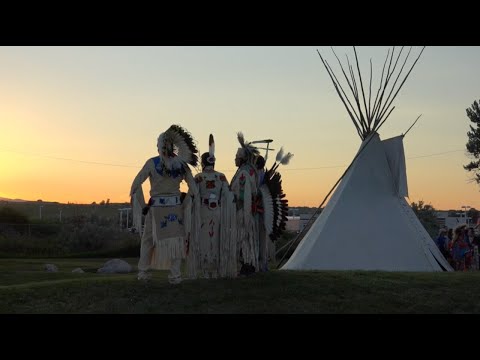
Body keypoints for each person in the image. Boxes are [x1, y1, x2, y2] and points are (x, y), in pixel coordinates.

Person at [130, 124, 199, 284]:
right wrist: (185, 204)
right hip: (176, 209)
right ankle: (175, 276)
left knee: (148, 241)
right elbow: (194, 189)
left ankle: (144, 274)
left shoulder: (152, 163)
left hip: (155, 210)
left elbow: (136, 184)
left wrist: (143, 205)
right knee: (175, 242)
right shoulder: (182, 165)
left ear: (160, 146)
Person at [188, 134, 237, 279]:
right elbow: (229, 195)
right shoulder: (221, 177)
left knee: (205, 239)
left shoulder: (198, 178)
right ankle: (213, 270)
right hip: (217, 211)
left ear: (203, 162)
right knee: (214, 239)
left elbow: (192, 194)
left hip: (204, 211)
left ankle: (206, 270)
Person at [230, 132, 260, 275]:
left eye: (236, 158)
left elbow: (243, 194)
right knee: (247, 238)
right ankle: (249, 264)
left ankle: (247, 265)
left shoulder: (243, 173)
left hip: (243, 210)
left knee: (243, 237)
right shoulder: (250, 170)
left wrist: (230, 195)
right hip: (248, 210)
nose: (234, 160)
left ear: (241, 159)